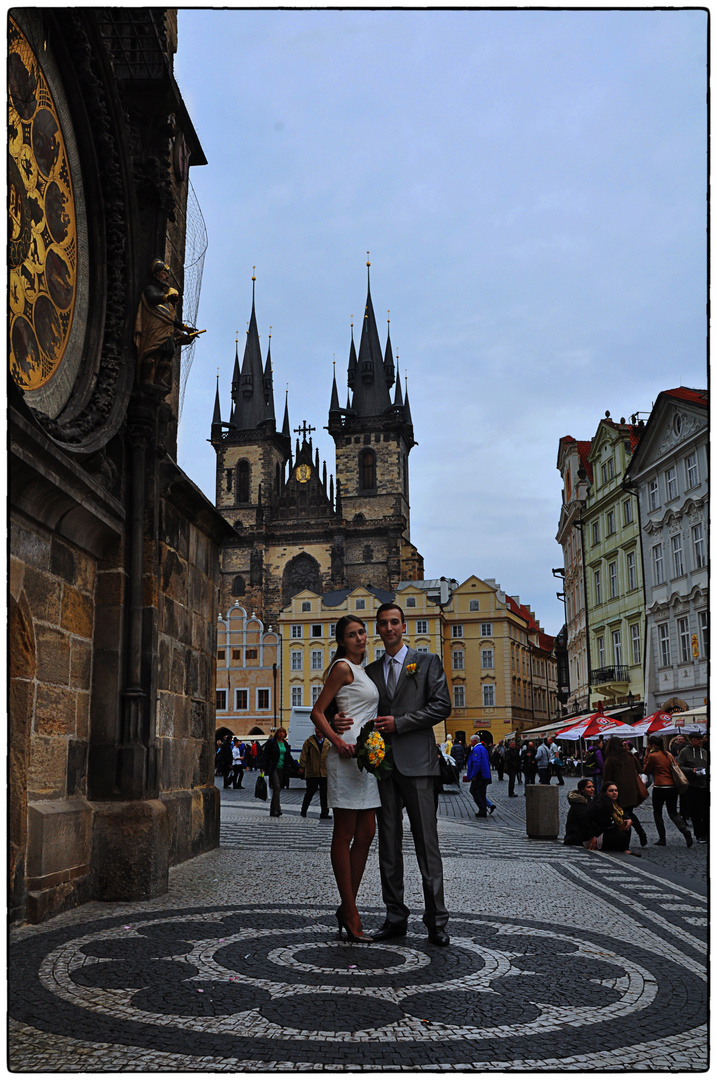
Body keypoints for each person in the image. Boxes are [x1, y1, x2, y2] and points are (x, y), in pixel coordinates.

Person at [335, 603, 451, 946]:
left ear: (404, 626)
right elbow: (346, 701)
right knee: (388, 844)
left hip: (418, 764)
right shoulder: (368, 670)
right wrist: (337, 720)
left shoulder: (426, 662)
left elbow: (442, 706)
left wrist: (400, 723)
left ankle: (436, 920)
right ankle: (395, 916)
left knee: (426, 844)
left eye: (394, 623)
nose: (389, 628)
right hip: (382, 768)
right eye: (383, 624)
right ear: (378, 628)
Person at [311, 615, 380, 944]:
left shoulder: (363, 669)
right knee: (346, 832)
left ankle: (347, 905)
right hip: (346, 756)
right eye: (352, 635)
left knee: (367, 831)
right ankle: (351, 911)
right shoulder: (342, 667)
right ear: (342, 640)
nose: (360, 638)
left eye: (362, 632)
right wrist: (337, 741)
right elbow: (317, 711)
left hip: (366, 760)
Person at [643, 736, 693, 847]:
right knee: (673, 812)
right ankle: (685, 831)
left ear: (652, 745)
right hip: (672, 787)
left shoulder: (652, 756)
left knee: (657, 813)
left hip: (660, 786)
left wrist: (646, 756)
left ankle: (662, 838)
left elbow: (645, 770)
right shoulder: (668, 754)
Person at [601, 736, 647, 846]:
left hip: (617, 793)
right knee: (628, 813)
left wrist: (603, 793)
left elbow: (606, 779)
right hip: (631, 791)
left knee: (623, 816)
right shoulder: (630, 756)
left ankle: (625, 843)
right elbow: (640, 770)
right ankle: (640, 832)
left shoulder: (611, 760)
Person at [579, 781, 639, 855]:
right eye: (611, 791)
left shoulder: (615, 803)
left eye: (616, 790)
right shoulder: (599, 804)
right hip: (595, 836)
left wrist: (628, 819)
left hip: (605, 831)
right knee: (622, 837)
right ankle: (623, 849)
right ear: (605, 793)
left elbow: (622, 813)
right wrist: (592, 836)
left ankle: (625, 849)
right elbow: (584, 816)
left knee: (626, 826)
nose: (614, 793)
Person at [677, 731, 708, 843]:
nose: (701, 741)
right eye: (698, 739)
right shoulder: (685, 752)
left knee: (707, 811)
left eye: (702, 739)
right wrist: (692, 770)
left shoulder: (704, 752)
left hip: (705, 785)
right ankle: (699, 834)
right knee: (696, 812)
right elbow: (679, 767)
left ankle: (706, 832)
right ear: (691, 740)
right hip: (692, 786)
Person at [299, 725, 331, 820]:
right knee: (310, 792)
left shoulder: (327, 742)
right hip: (312, 772)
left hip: (324, 772)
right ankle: (303, 811)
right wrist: (302, 766)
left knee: (324, 794)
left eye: (320, 729)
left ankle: (324, 812)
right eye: (317, 728)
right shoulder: (309, 742)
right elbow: (303, 755)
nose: (318, 730)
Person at [264, 727, 293, 818]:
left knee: (278, 789)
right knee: (276, 787)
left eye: (283, 732)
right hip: (273, 768)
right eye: (280, 732)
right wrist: (262, 767)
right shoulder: (272, 742)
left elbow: (289, 757)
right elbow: (265, 755)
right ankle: (276, 809)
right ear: (277, 733)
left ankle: (274, 809)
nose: (282, 734)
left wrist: (297, 767)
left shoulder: (285, 743)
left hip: (282, 768)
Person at [466, 735, 492, 817]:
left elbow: (477, 763)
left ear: (474, 741)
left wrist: (473, 774)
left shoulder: (476, 749)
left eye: (471, 741)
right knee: (482, 791)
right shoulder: (483, 748)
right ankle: (483, 809)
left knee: (473, 790)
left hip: (479, 774)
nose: (470, 743)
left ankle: (482, 808)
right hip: (484, 774)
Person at [564, 778, 595, 845]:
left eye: (593, 786)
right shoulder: (579, 804)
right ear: (582, 790)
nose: (593, 789)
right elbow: (586, 821)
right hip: (576, 837)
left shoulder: (588, 801)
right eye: (589, 787)